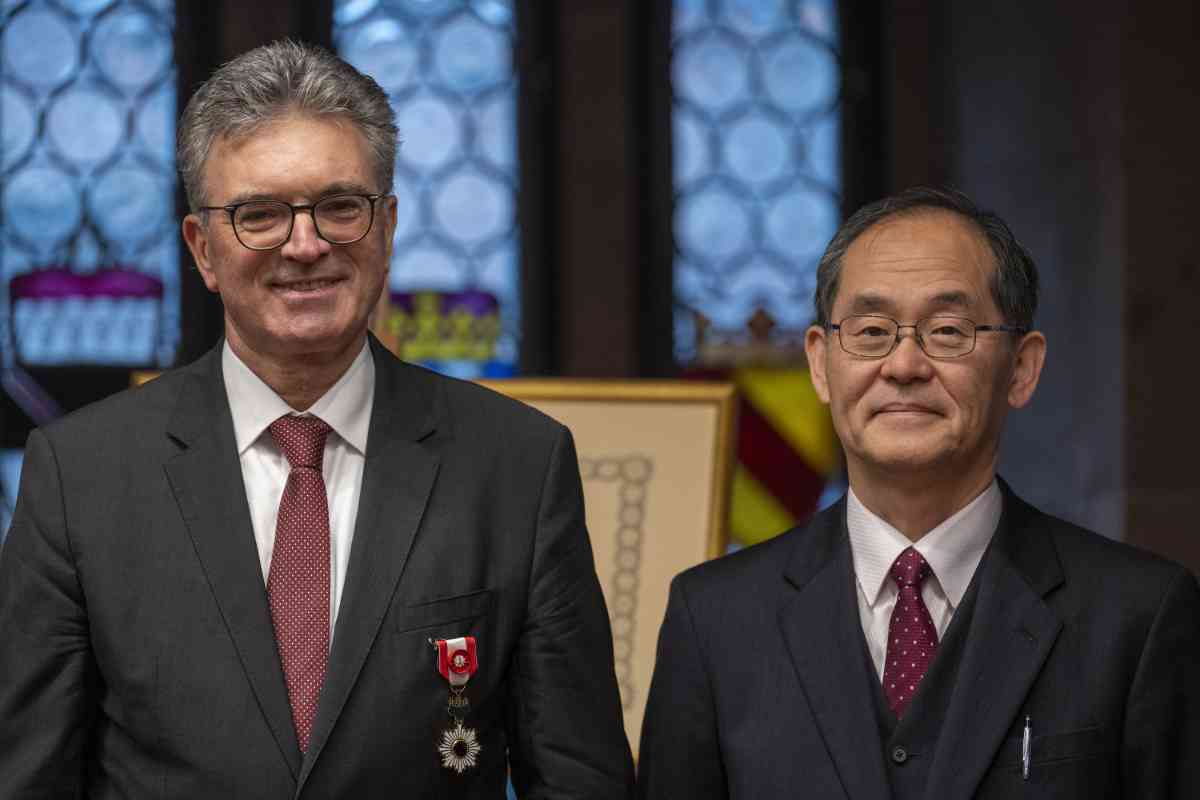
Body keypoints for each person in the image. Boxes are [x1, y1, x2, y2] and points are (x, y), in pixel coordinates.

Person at [0, 40, 633, 798]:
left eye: (340, 207)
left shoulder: (517, 466)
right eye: (259, 215)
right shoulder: (81, 476)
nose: (306, 245)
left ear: (388, 225)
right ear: (203, 249)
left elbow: (578, 780)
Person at [637, 187, 1200, 799]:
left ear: (1021, 368)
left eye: (948, 330)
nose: (904, 364)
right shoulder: (715, 620)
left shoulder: (1138, 616)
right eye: (872, 330)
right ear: (821, 365)